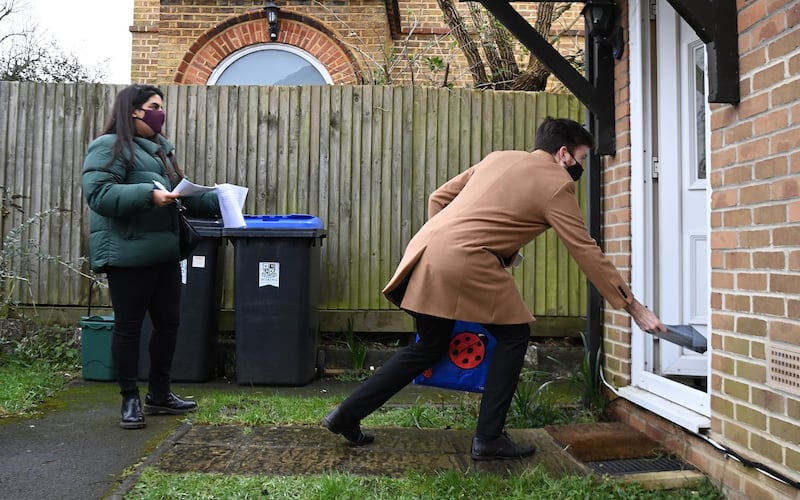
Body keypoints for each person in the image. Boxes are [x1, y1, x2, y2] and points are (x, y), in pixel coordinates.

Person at [322, 117, 667, 460]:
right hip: (464, 262)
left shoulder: (498, 157)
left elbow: (438, 198)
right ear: (564, 154)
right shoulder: (557, 184)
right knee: (514, 335)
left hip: (424, 253)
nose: (580, 168)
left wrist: (455, 242)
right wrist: (634, 307)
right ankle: (488, 438)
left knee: (429, 346)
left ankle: (346, 415)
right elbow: (585, 249)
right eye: (581, 159)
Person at [82, 84, 220, 429]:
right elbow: (99, 195)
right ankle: (129, 399)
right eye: (155, 106)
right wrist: (148, 194)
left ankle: (159, 394)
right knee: (129, 328)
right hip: (126, 254)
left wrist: (220, 199)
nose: (161, 113)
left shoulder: (160, 150)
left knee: (168, 325)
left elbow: (180, 194)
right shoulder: (108, 147)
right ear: (133, 110)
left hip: (164, 251)